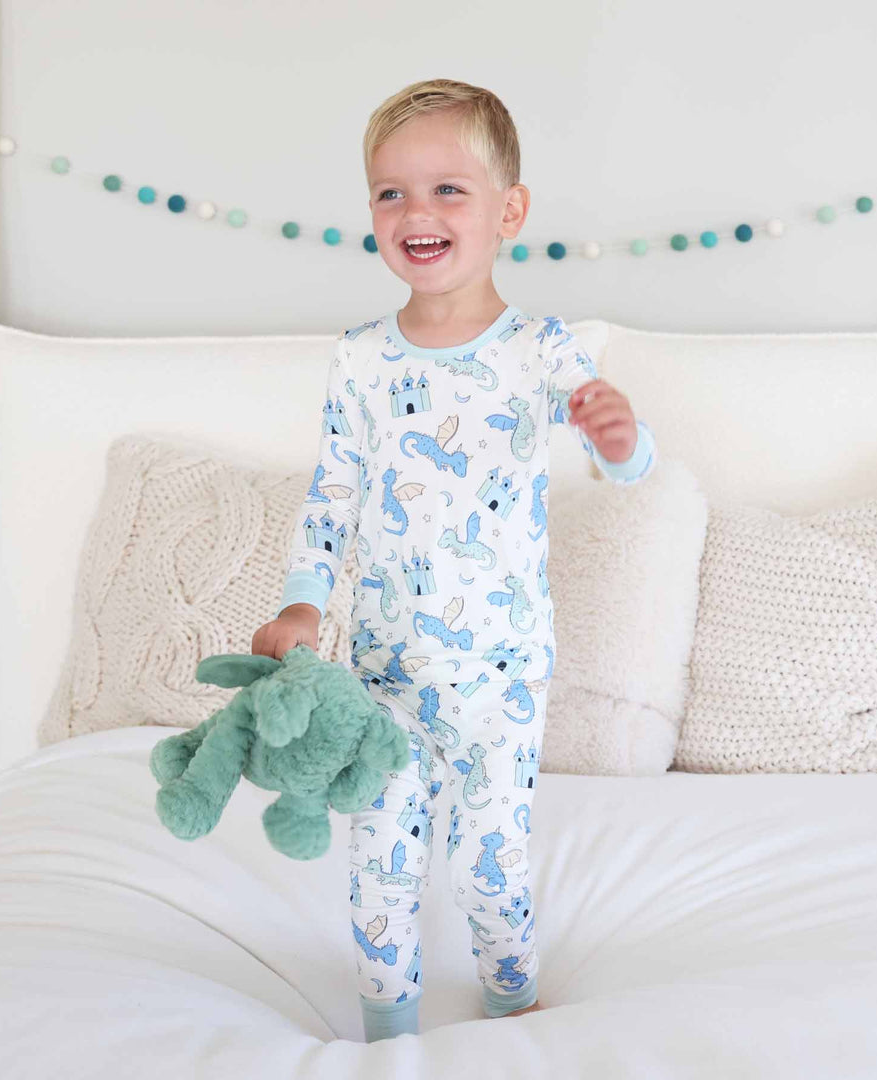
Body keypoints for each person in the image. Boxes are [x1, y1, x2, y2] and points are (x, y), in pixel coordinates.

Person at [251, 78, 656, 1042]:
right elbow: (334, 495)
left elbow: (631, 469)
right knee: (379, 856)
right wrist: (303, 602)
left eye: (448, 191)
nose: (416, 213)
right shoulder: (360, 360)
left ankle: (512, 997)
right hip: (385, 673)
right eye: (391, 193)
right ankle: (389, 1030)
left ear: (509, 211)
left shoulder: (539, 349)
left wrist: (617, 434)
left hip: (501, 673)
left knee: (490, 861)